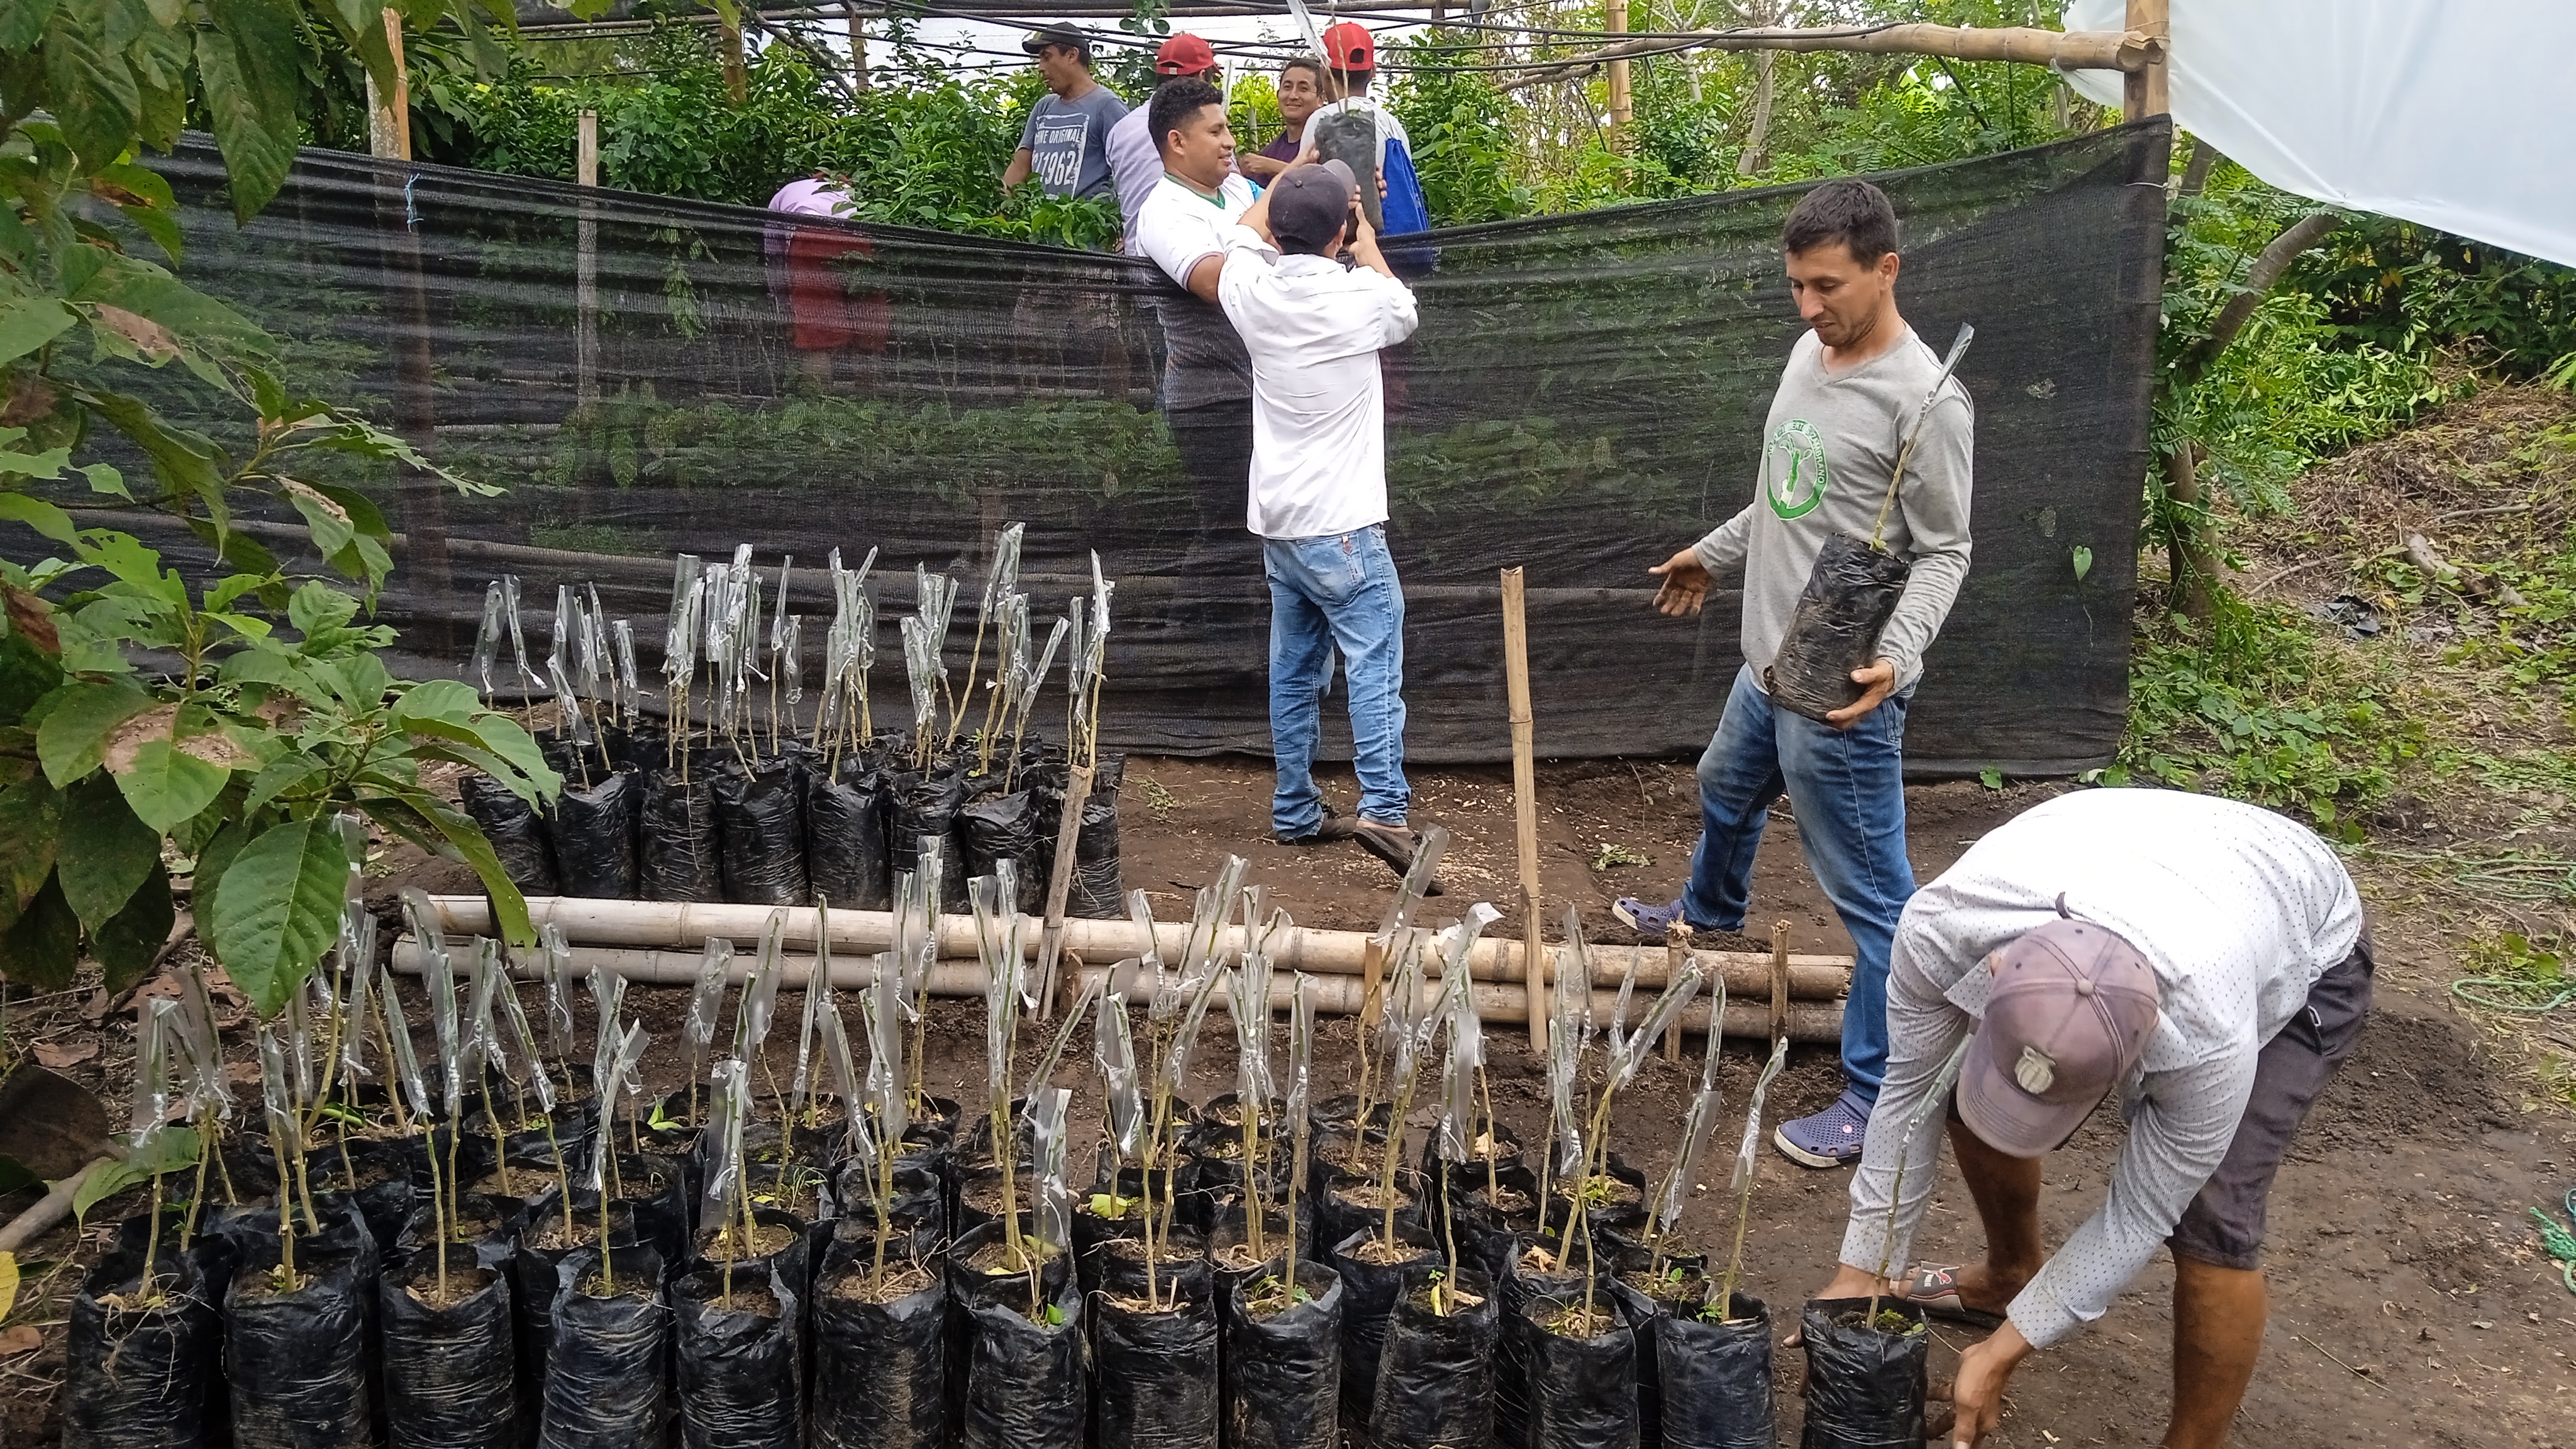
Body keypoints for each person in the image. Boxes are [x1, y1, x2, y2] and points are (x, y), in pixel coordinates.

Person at [1813, 787, 2369, 1449]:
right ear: (1996, 971)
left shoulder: (2210, 1037)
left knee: (2210, 1214)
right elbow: (1908, 1093)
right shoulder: (1945, 925)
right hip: (2138, 846)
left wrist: (2007, 1349)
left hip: (2297, 918)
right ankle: (2009, 1277)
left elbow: (2139, 1215)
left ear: (2142, 1049)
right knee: (1960, 1086)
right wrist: (1864, 1267)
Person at [1610, 178, 1974, 1169]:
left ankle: (1878, 1096)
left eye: (1828, 287)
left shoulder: (1927, 404)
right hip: (1769, 659)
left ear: (1886, 268)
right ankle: (1710, 908)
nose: (1810, 308)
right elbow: (1787, 496)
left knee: (1878, 903)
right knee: (1725, 784)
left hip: (1839, 690)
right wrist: (1713, 553)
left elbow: (1946, 550)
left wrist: (1902, 653)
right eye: (1797, 287)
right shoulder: (1809, 354)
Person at [1216, 158, 1428, 876]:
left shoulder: (1249, 288)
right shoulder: (1360, 297)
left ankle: (1295, 809)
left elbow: (1239, 234)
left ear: (1278, 230)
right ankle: (1385, 811)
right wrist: (1365, 238)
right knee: (1374, 661)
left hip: (1279, 524)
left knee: (1294, 667)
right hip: (1343, 527)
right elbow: (1404, 309)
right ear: (1340, 232)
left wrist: (1286, 181)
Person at [1127, 78, 1263, 613]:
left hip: (1259, 386)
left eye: (1227, 128)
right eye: (1217, 131)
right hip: (1211, 398)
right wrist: (1271, 209)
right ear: (1178, 142)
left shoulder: (1236, 191)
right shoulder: (1164, 212)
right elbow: (1213, 281)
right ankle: (1193, 637)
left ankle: (1244, 637)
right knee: (1228, 527)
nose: (1231, 142)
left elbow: (1289, 229)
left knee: (1261, 521)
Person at [1306, 22, 1431, 235]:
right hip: (1391, 241)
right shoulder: (1393, 124)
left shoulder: (1322, 120)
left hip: (1342, 242)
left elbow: (1305, 188)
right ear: (1373, 71)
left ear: (1324, 71)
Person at [1108, 33, 1226, 252]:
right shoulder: (1205, 131)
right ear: (1203, 76)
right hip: (1196, 256)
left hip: (1135, 261)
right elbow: (1233, 193)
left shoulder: (1120, 130)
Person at [1001, 28, 1127, 201]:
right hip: (1041, 217)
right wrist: (1000, 211)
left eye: (1047, 57)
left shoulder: (1108, 106)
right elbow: (1020, 167)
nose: (1040, 68)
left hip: (1088, 217)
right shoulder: (1044, 107)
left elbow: (1129, 169)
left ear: (1071, 56)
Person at [1241, 56, 1332, 182]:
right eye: (1287, 87)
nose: (1293, 96)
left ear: (1321, 99)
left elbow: (1328, 183)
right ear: (1278, 94)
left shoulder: (1328, 144)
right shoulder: (1270, 151)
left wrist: (1271, 167)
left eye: (1303, 89)